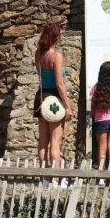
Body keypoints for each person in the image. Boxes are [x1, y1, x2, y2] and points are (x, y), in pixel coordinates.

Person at [34, 22, 71, 171]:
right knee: (55, 141)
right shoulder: (56, 56)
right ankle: (55, 178)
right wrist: (68, 106)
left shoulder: (38, 54)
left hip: (41, 97)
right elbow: (59, 83)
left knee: (43, 140)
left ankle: (44, 176)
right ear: (56, 37)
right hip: (54, 98)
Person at [90, 61, 110, 170]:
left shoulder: (96, 87)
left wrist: (95, 117)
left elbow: (93, 105)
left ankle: (101, 176)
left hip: (100, 120)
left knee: (102, 148)